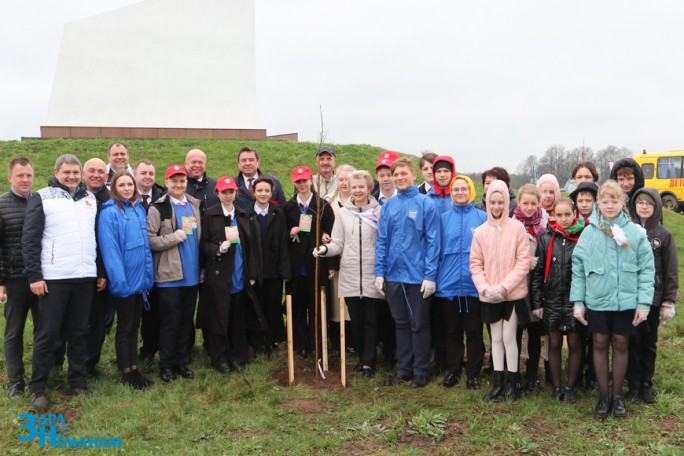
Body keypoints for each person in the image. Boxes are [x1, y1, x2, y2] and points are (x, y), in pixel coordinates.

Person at [23, 154, 106, 411]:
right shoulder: (42, 196)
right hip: (54, 279)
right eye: (66, 172)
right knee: (47, 334)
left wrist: (99, 271)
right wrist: (34, 276)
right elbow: (30, 239)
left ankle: (77, 381)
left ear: (81, 173)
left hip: (84, 277)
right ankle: (38, 388)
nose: (71, 176)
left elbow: (96, 238)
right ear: (56, 171)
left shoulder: (90, 199)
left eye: (75, 172)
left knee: (79, 332)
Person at [570, 180, 654, 419]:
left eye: (614, 200)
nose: (609, 205)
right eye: (604, 201)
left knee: (620, 344)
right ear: (599, 203)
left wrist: (643, 303)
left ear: (622, 202)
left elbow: (647, 269)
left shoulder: (635, 233)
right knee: (599, 343)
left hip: (625, 301)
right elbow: (578, 268)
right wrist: (578, 301)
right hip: (597, 299)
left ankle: (617, 396)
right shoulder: (589, 232)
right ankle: (603, 397)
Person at [375, 157, 440, 388]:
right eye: (396, 174)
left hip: (418, 277)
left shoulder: (425, 204)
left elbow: (433, 242)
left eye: (404, 173)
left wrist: (430, 275)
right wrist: (379, 272)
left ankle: (420, 370)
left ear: (414, 175)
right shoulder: (389, 206)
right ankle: (403, 369)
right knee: (400, 323)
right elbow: (383, 240)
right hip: (394, 276)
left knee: (419, 323)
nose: (400, 178)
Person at [315, 170, 383, 378]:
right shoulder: (343, 214)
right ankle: (363, 357)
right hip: (351, 275)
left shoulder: (380, 212)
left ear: (369, 188)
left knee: (372, 321)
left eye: (362, 186)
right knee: (357, 320)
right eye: (354, 187)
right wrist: (325, 250)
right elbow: (338, 243)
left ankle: (369, 363)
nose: (358, 190)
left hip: (373, 275)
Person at [471, 180, 530, 402]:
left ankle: (514, 382)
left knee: (508, 337)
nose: (496, 206)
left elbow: (522, 262)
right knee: (495, 338)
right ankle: (498, 382)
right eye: (492, 202)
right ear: (487, 202)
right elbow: (475, 264)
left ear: (507, 202)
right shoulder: (480, 232)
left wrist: (504, 287)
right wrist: (486, 288)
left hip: (512, 294)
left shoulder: (517, 228)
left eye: (500, 202)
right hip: (490, 295)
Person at [98, 172, 154, 389]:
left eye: (130, 184)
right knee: (124, 327)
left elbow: (145, 248)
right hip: (125, 282)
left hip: (140, 281)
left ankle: (134, 368)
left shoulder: (139, 209)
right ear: (114, 188)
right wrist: (120, 282)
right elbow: (111, 251)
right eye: (121, 185)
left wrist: (147, 278)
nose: (127, 188)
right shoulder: (110, 213)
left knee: (134, 325)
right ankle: (126, 371)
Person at [201, 176, 263, 373]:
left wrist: (252, 273)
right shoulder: (210, 215)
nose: (228, 195)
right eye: (224, 192)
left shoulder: (244, 215)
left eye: (231, 192)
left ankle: (237, 355)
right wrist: (218, 249)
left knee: (237, 317)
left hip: (239, 273)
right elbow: (203, 244)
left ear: (236, 192)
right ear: (217, 193)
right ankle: (220, 357)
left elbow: (251, 247)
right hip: (219, 276)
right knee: (220, 317)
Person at [147, 164, 202, 382]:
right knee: (170, 322)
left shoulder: (194, 205)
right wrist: (174, 237)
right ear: (167, 182)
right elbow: (150, 241)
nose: (178, 185)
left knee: (185, 322)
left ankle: (181, 362)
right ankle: (166, 365)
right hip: (169, 277)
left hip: (192, 277)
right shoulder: (157, 208)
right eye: (174, 180)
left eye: (182, 181)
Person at [626, 188, 678, 403]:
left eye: (649, 203)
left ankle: (646, 384)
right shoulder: (626, 231)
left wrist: (668, 300)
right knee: (631, 341)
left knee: (648, 341)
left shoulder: (664, 235)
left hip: (653, 299)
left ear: (656, 207)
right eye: (640, 202)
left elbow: (671, 270)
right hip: (630, 296)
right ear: (634, 206)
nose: (644, 206)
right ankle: (632, 383)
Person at [434, 175, 487, 389]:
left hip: (474, 285)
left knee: (474, 330)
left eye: (463, 189)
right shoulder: (443, 218)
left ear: (471, 191)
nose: (459, 193)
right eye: (455, 189)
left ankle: (473, 372)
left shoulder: (482, 217)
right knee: (452, 331)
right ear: (451, 192)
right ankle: (454, 370)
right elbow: (436, 249)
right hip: (449, 284)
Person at [531, 198, 585, 403]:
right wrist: (537, 303)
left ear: (574, 215)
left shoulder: (581, 237)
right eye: (559, 215)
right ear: (553, 216)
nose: (563, 219)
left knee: (573, 341)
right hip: (552, 300)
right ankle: (556, 386)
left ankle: (570, 386)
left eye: (567, 215)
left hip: (574, 299)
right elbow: (537, 274)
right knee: (553, 342)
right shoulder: (545, 239)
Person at [283, 165, 337, 358]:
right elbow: (282, 237)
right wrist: (291, 232)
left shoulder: (322, 206)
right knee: (297, 307)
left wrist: (326, 239)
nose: (302, 184)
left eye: (305, 180)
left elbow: (332, 235)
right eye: (298, 181)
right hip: (297, 268)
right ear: (294, 183)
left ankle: (317, 344)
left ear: (311, 181)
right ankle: (300, 344)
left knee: (317, 307)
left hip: (317, 265)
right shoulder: (288, 208)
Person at [0, 157, 39, 399]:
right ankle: (16, 381)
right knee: (14, 332)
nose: (25, 180)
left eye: (28, 175)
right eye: (20, 176)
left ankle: (40, 376)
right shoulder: (2, 205)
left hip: (40, 278)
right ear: (10, 177)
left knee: (42, 330)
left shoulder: (40, 201)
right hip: (14, 278)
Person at [511, 184, 547, 393]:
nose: (529, 207)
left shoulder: (545, 223)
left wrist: (539, 262)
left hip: (537, 285)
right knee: (516, 330)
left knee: (534, 331)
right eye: (525, 203)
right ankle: (514, 372)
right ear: (519, 203)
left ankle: (533, 373)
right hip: (517, 284)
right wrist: (524, 262)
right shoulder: (512, 223)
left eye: (534, 203)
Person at [249, 176, 290, 353]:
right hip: (255, 271)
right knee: (256, 306)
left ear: (271, 192)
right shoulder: (246, 215)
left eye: (267, 190)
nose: (263, 194)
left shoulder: (278, 213)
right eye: (260, 190)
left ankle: (273, 340)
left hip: (273, 270)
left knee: (272, 306)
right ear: (253, 193)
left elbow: (283, 243)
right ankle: (257, 341)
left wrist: (284, 270)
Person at [81, 158, 114, 377]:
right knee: (78, 321)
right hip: (78, 269)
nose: (96, 174)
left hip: (104, 270)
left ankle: (90, 364)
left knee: (99, 321)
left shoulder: (112, 200)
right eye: (91, 170)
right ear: (84, 174)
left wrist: (103, 271)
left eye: (100, 171)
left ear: (107, 176)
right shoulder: (75, 197)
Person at [134, 159, 166, 364]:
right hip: (136, 263)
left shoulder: (164, 197)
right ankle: (146, 349)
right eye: (143, 173)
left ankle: (161, 346)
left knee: (159, 308)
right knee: (140, 311)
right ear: (135, 175)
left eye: (151, 173)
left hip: (161, 261)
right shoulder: (127, 196)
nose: (147, 177)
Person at [426, 155, 456, 374]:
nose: (442, 175)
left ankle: (454, 357)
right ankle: (439, 357)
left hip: (453, 262)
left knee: (452, 317)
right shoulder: (428, 199)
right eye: (439, 172)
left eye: (446, 171)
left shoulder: (459, 195)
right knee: (435, 314)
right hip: (433, 260)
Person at [324, 165, 356, 354]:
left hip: (355, 257)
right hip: (335, 259)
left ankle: (353, 341)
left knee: (352, 300)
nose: (344, 183)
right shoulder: (329, 201)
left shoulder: (361, 201)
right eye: (341, 179)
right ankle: (337, 343)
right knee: (337, 301)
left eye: (348, 180)